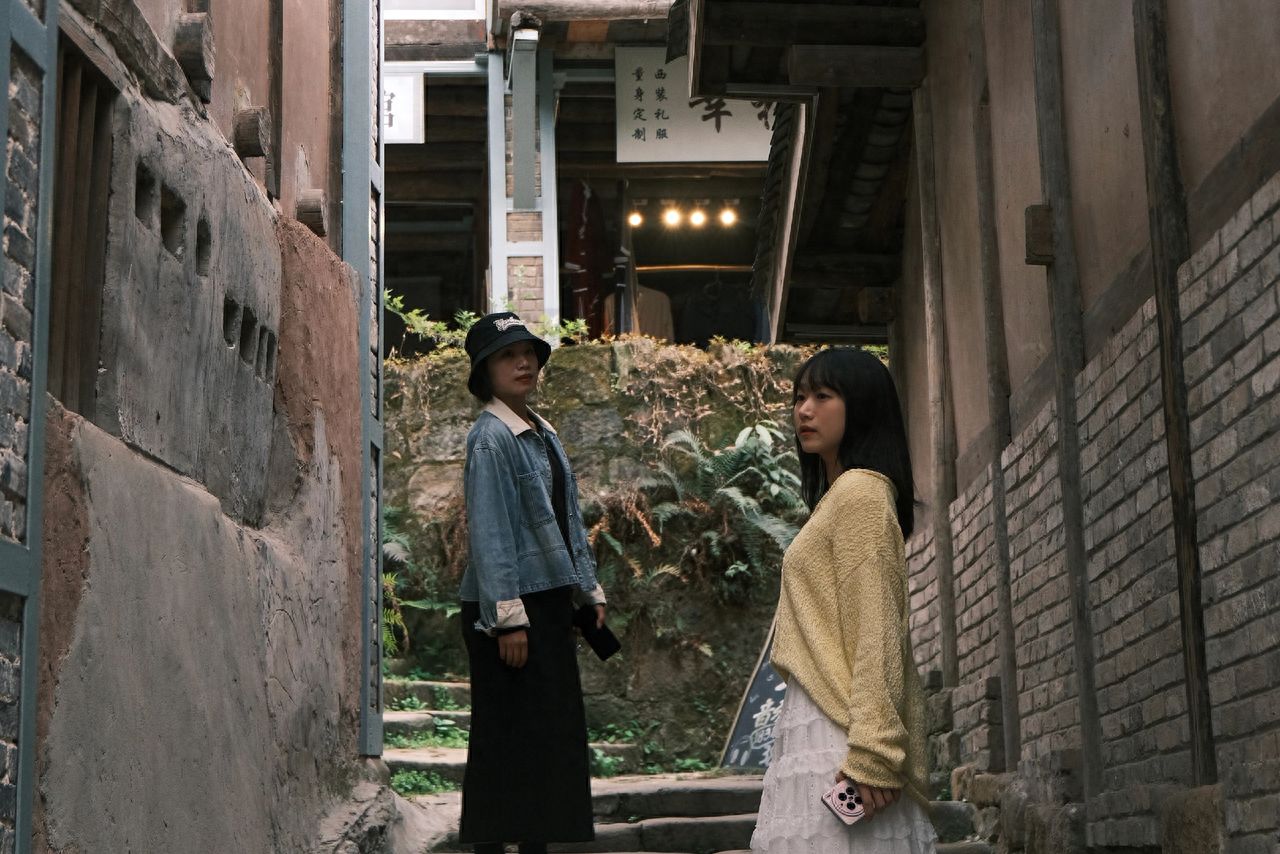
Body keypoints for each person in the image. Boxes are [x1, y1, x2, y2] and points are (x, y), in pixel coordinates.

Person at [751, 347, 936, 854]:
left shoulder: (860, 495)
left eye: (822, 396)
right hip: (823, 719)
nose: (803, 410)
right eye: (799, 397)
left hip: (844, 733)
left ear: (862, 406)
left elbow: (876, 628)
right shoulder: (841, 498)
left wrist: (874, 753)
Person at [457, 312, 607, 854]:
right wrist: (507, 619)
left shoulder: (541, 433)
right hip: (507, 610)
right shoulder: (490, 438)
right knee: (505, 740)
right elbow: (491, 532)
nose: (523, 362)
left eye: (530, 352)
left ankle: (536, 846)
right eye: (507, 355)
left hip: (547, 602)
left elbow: (567, 518)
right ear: (484, 371)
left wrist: (587, 593)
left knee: (547, 739)